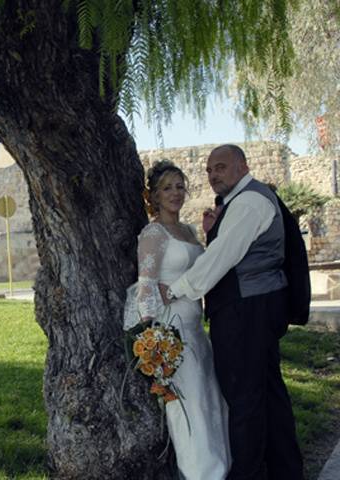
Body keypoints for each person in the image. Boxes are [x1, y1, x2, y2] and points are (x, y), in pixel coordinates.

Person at [163, 144, 304, 479]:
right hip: (255, 308)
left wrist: (178, 288)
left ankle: (249, 473)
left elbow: (222, 258)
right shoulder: (244, 201)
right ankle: (285, 470)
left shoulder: (250, 202)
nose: (213, 175)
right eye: (210, 170)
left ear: (243, 166)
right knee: (268, 396)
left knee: (244, 400)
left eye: (221, 167)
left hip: (246, 312)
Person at [128, 159, 231, 479]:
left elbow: (203, 272)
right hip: (170, 333)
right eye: (167, 188)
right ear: (154, 197)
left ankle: (222, 468)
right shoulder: (153, 233)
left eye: (180, 186)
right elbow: (145, 286)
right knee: (189, 406)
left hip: (196, 329)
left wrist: (211, 235)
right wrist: (152, 340)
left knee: (211, 401)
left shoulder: (187, 231)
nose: (176, 193)